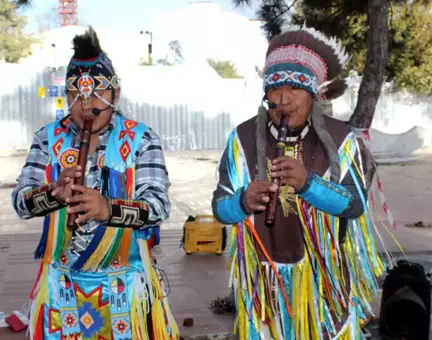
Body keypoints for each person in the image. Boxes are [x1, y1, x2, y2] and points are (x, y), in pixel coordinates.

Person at [212, 25, 389, 339]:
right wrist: (243, 201)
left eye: (295, 90)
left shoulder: (343, 139)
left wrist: (308, 183)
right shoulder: (242, 138)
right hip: (263, 283)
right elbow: (220, 209)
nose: (284, 100)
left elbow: (355, 205)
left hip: (326, 282)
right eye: (275, 90)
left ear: (315, 95)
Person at [12, 27, 179, 340]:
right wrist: (52, 194)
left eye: (96, 94)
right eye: (76, 95)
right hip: (61, 290)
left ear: (115, 93)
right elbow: (21, 203)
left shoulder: (142, 139)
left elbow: (158, 207)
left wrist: (108, 209)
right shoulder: (47, 139)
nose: (86, 106)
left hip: (125, 288)